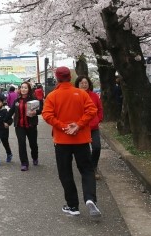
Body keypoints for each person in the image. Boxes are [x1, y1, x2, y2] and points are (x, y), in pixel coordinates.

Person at [42, 66, 100, 218]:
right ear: (70, 77)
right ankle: (90, 198)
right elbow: (92, 111)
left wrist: (63, 126)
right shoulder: (81, 93)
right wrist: (78, 125)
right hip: (82, 139)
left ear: (57, 78)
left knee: (65, 172)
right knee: (87, 170)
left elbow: (47, 115)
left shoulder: (52, 96)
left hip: (62, 141)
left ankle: (73, 205)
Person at [8, 81, 42, 171]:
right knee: (21, 144)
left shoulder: (34, 100)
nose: (23, 89)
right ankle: (24, 163)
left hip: (31, 126)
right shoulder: (17, 101)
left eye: (25, 88)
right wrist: (4, 120)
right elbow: (10, 112)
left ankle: (35, 157)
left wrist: (35, 112)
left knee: (33, 144)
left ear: (29, 89)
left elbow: (41, 109)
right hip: (19, 126)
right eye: (22, 87)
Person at [75, 76, 104, 179]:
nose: (84, 85)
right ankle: (86, 169)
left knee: (96, 147)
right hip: (81, 128)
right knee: (83, 151)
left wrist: (98, 119)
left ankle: (93, 166)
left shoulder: (94, 95)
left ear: (89, 84)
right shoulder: (74, 96)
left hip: (93, 127)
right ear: (77, 84)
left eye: (86, 83)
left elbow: (99, 109)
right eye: (81, 83)